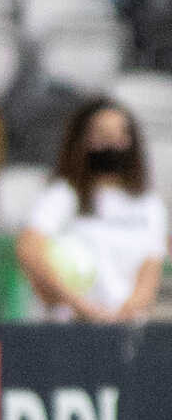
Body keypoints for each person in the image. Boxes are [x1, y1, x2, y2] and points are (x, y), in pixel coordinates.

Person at [16, 97, 167, 322]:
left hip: (127, 328)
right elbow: (30, 250)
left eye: (120, 135)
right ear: (82, 140)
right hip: (71, 326)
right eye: (102, 135)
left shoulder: (149, 204)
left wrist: (123, 313)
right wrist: (81, 307)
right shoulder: (63, 196)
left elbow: (151, 269)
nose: (112, 144)